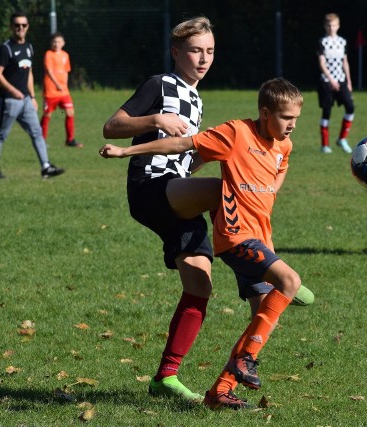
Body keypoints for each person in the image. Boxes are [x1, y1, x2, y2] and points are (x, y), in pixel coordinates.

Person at [101, 19, 312, 403]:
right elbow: (111, 126)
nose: (204, 58)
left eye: (210, 51)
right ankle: (261, 272)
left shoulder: (196, 98)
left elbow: (190, 153)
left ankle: (165, 378)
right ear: (177, 52)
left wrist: (199, 161)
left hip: (178, 194)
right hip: (151, 187)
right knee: (225, 191)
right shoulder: (160, 85)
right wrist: (155, 120)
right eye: (196, 50)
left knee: (199, 285)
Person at [0, 11, 64, 179]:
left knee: (37, 132)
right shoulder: (6, 48)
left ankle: (46, 167)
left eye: (23, 25)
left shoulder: (28, 47)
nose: (20, 28)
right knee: (1, 134)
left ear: (27, 27)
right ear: (11, 27)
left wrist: (33, 96)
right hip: (9, 101)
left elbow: (28, 73)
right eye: (17, 25)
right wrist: (12, 90)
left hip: (26, 101)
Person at [316, 12, 354, 154]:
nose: (331, 28)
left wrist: (349, 82)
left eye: (334, 25)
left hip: (341, 80)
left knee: (350, 107)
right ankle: (325, 145)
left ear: (338, 26)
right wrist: (331, 79)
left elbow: (345, 62)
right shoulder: (322, 42)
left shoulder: (342, 42)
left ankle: (342, 139)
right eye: (329, 25)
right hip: (326, 82)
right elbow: (322, 63)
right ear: (325, 26)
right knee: (327, 112)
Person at [41, 32, 82, 148]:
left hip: (63, 91)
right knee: (47, 115)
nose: (56, 44)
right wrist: (57, 84)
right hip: (50, 91)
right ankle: (41, 140)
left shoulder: (65, 55)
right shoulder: (49, 54)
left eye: (59, 41)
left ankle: (70, 140)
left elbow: (66, 72)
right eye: (54, 42)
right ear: (51, 43)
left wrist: (65, 86)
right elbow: (49, 71)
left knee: (70, 112)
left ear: (63, 43)